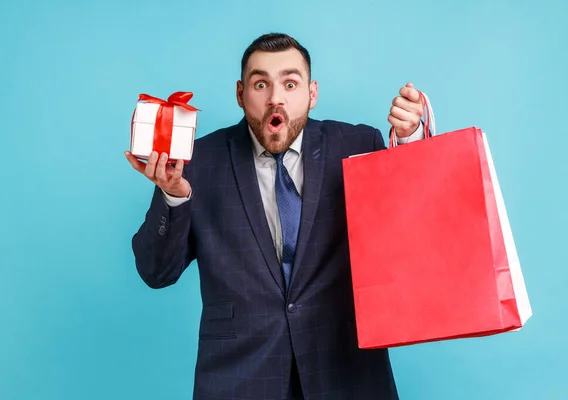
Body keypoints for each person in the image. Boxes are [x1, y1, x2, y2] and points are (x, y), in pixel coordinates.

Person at [125, 32, 425, 400]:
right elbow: (156, 273)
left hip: (346, 373)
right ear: (240, 94)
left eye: (290, 82)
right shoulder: (197, 162)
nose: (275, 98)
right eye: (261, 83)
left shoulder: (358, 146)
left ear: (312, 93)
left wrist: (410, 140)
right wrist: (173, 195)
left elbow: (410, 229)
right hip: (239, 380)